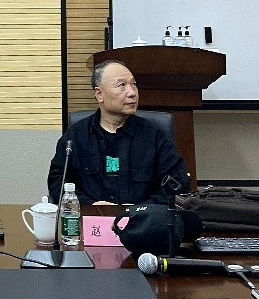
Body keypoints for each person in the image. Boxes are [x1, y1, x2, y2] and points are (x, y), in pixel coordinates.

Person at [47, 59, 189, 205]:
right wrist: (91, 205)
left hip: (141, 218)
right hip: (92, 217)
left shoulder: (154, 135)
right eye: (122, 85)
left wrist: (140, 209)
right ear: (99, 94)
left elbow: (177, 184)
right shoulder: (76, 136)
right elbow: (58, 184)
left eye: (134, 84)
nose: (132, 93)